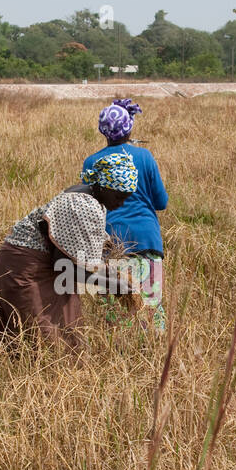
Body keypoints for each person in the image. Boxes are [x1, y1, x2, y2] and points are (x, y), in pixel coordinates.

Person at [0, 153, 134, 349]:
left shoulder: (93, 198)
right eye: (118, 196)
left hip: (42, 264)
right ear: (103, 185)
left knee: (68, 327)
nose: (121, 203)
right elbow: (65, 266)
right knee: (42, 336)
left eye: (125, 198)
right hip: (26, 267)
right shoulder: (83, 204)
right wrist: (111, 284)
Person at [83, 99, 169, 332]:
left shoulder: (92, 162)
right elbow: (161, 202)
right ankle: (153, 352)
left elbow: (89, 207)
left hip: (111, 243)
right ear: (129, 128)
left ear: (103, 131)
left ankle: (121, 356)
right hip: (146, 240)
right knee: (151, 307)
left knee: (117, 309)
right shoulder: (145, 157)